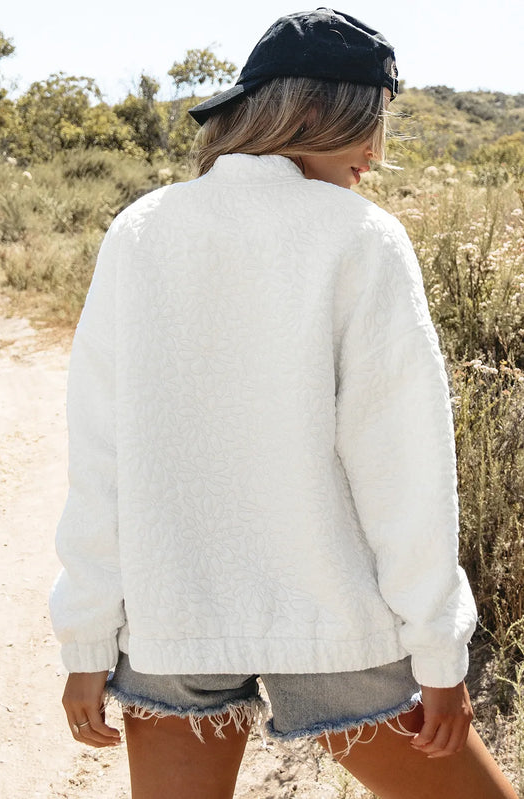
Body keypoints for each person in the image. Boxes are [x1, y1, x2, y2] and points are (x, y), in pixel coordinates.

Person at [50, 9, 518, 799]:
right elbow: (403, 467)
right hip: (334, 619)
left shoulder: (140, 230)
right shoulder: (361, 236)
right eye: (370, 121)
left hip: (173, 616)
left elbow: (99, 455)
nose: (376, 151)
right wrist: (439, 652)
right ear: (311, 113)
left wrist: (86, 640)